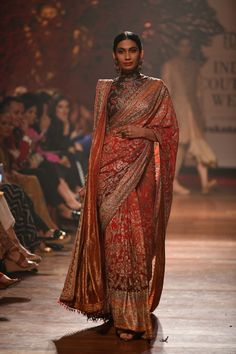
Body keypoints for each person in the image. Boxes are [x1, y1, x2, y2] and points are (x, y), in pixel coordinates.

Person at [59, 31, 178, 341]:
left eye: (132, 50)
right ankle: (116, 310)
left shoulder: (157, 89)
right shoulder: (105, 91)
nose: (127, 56)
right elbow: (99, 138)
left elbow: (170, 132)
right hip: (108, 172)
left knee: (138, 244)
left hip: (139, 176)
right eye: (121, 51)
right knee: (113, 243)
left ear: (141, 54)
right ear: (114, 56)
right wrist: (92, 178)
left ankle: (135, 315)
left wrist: (144, 131)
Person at [161, 37, 217, 195]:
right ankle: (173, 181)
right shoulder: (170, 65)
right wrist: (167, 114)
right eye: (182, 45)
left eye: (188, 46)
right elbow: (167, 91)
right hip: (178, 111)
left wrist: (203, 113)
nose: (185, 49)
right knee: (180, 147)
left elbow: (199, 92)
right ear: (177, 47)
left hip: (193, 112)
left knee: (199, 145)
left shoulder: (194, 66)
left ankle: (205, 182)